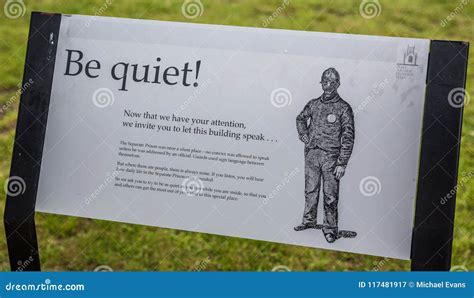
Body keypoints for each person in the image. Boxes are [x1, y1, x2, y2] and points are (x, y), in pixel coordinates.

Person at [294, 67, 355, 243]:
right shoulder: (313, 104)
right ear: (321, 83)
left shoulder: (344, 108)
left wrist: (342, 163)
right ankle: (309, 221)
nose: (328, 85)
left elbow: (348, 137)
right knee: (310, 190)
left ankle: (330, 228)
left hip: (332, 158)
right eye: (325, 82)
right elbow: (300, 118)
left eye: (332, 82)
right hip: (312, 153)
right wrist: (302, 133)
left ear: (338, 84)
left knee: (330, 196)